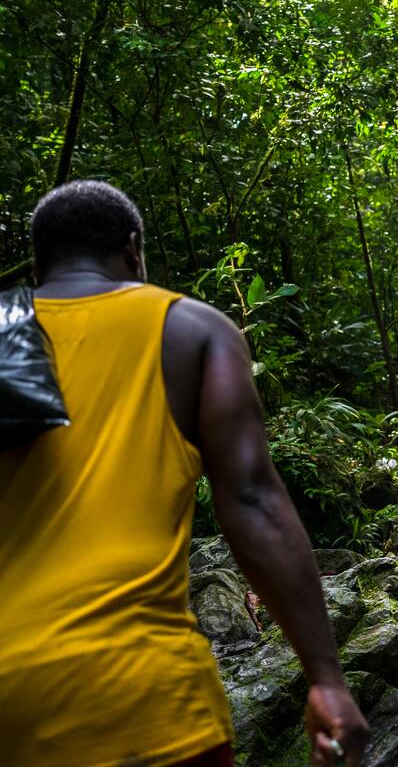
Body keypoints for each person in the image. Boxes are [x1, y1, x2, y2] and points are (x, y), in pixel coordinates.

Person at [0, 181, 369, 766]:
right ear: (133, 251)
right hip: (145, 694)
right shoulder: (191, 330)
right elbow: (251, 499)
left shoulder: (5, 334)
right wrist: (325, 678)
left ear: (38, 264)